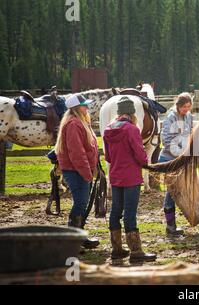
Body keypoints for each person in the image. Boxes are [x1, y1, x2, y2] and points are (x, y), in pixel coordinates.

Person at [104, 97, 157, 263]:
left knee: (115, 211)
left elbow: (108, 157)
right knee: (130, 212)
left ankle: (117, 249)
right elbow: (141, 155)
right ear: (132, 113)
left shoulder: (108, 129)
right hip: (131, 176)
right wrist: (145, 164)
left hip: (115, 175)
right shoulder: (132, 129)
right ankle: (135, 251)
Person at [159, 93, 199, 236]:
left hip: (184, 160)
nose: (186, 109)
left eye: (189, 107)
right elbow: (166, 140)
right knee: (172, 194)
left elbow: (190, 135)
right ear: (178, 105)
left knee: (196, 189)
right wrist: (180, 153)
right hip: (169, 160)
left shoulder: (188, 117)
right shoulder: (170, 118)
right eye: (184, 107)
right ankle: (170, 225)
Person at [54, 94, 100, 249]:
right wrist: (87, 173)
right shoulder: (74, 124)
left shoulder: (79, 122)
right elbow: (77, 153)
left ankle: (78, 237)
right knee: (80, 203)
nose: (87, 107)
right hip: (76, 170)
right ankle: (72, 239)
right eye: (84, 105)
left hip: (78, 169)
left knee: (82, 202)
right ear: (76, 108)